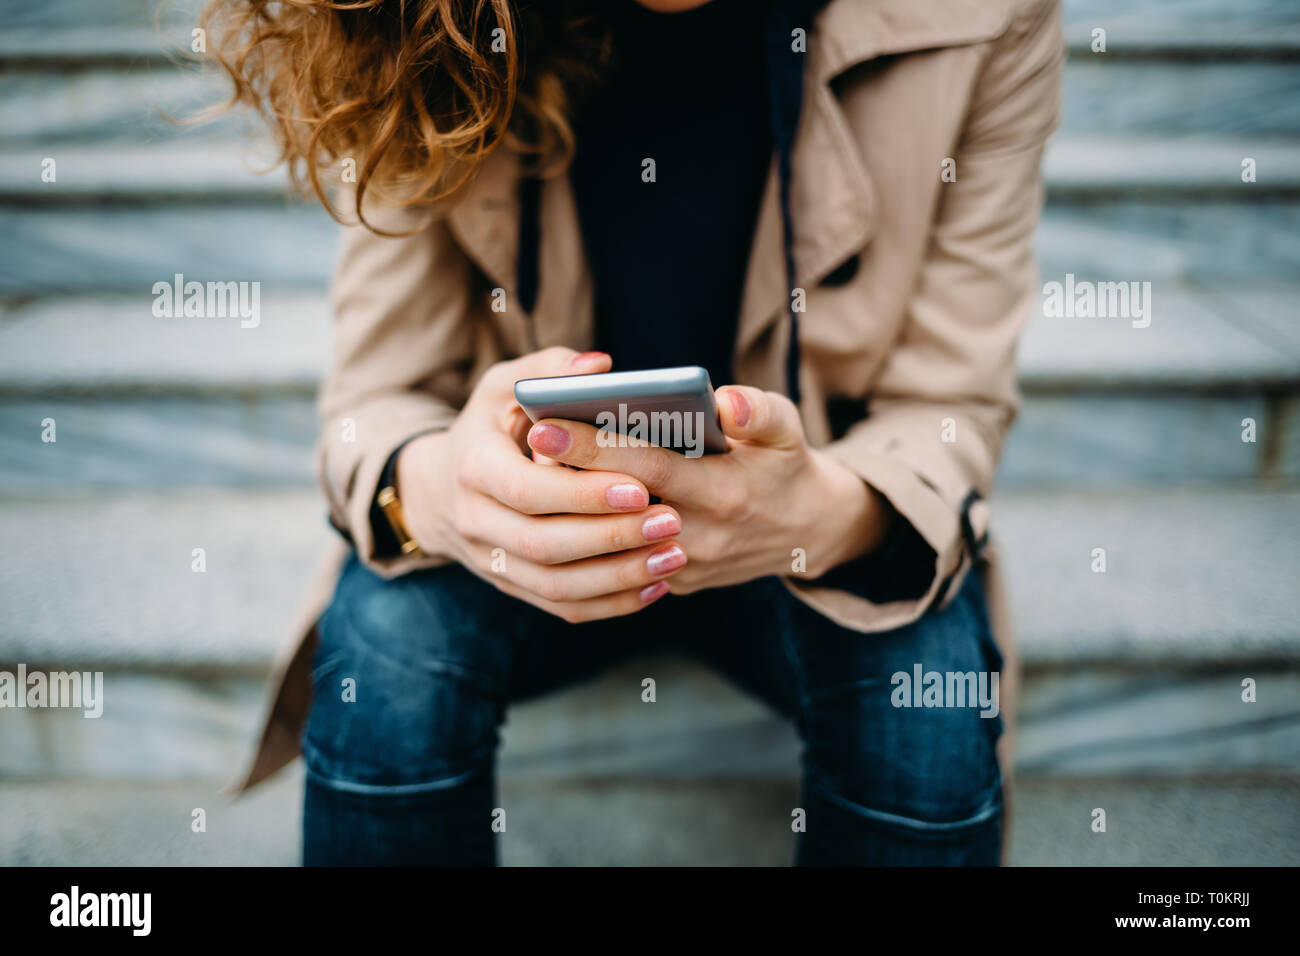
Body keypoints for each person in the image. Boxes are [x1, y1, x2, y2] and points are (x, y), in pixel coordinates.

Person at [208, 0, 1064, 865]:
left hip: (803, 537)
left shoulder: (985, 16)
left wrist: (824, 514)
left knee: (925, 713)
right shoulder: (428, 20)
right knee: (389, 652)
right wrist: (445, 493)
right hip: (535, 539)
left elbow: (949, 405)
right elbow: (378, 398)